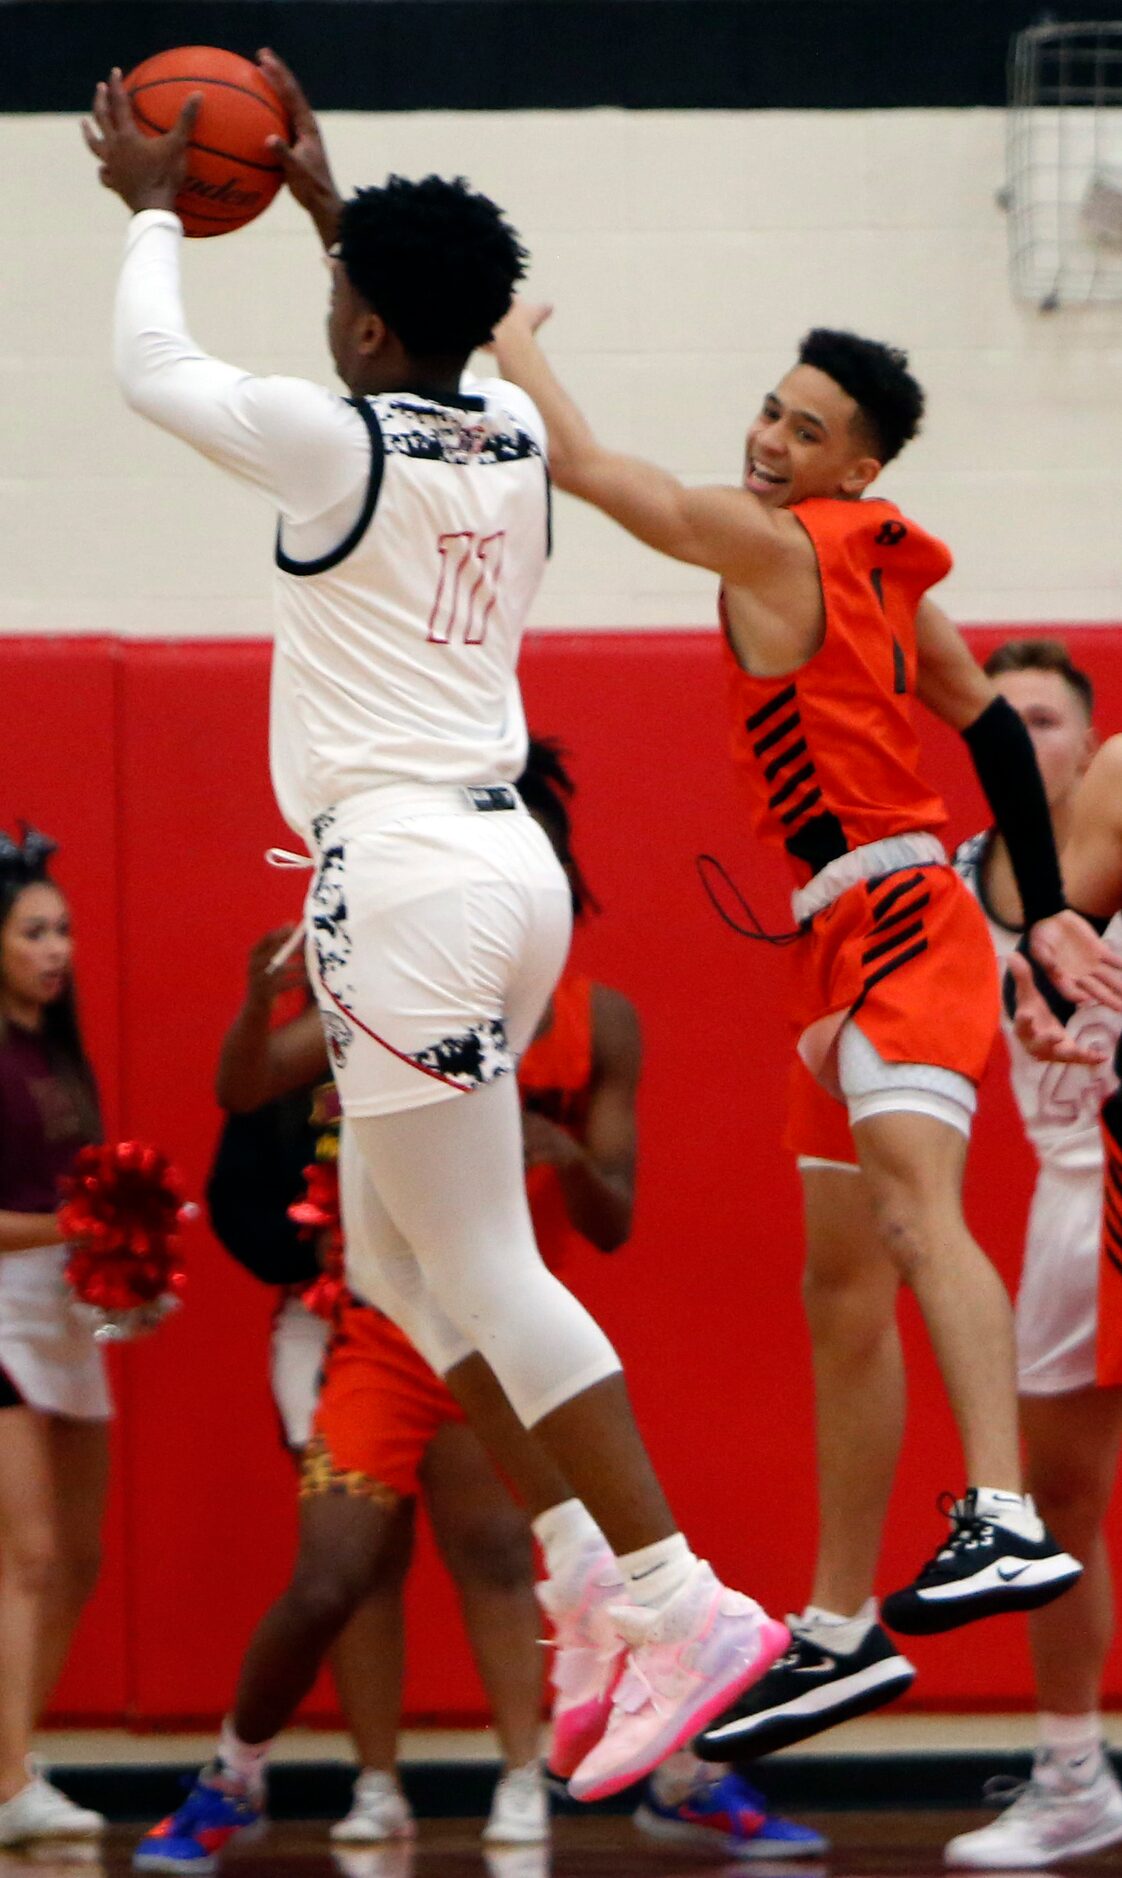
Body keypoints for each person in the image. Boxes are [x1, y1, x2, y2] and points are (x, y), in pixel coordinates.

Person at [85, 53, 789, 1813]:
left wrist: (159, 212)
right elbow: (414, 329)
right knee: (401, 1262)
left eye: (337, 291)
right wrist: (333, 210)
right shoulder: (514, 427)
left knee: (477, 1264)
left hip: (403, 879)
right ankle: (571, 1554)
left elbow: (148, 366)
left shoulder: (336, 432)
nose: (328, 309)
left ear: (374, 328)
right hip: (501, 879)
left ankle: (675, 1593)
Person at [488, 308, 1122, 1762]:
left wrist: (510, 338)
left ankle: (1002, 1515)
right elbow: (977, 721)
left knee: (911, 1215)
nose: (768, 441)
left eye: (804, 429)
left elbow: (583, 464)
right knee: (836, 1292)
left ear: (859, 461)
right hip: (837, 942)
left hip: (897, 918)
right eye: (767, 412)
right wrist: (1034, 917)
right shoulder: (873, 563)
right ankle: (839, 1629)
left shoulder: (778, 540)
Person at [0, 828, 109, 1847]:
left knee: (78, 1552)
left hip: (67, 1307)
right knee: (24, 1554)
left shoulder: (60, 1055)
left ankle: (13, 1751)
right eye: (34, 931)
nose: (55, 948)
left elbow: (89, 1191)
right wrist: (74, 1229)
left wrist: (130, 1259)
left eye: (63, 930)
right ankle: (5, 1784)